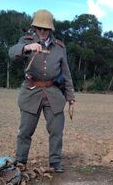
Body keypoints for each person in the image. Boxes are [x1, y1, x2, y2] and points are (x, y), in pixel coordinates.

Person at [9, 9, 75, 173]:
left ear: (51, 29)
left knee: (56, 131)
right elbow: (12, 52)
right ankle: (20, 162)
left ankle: (55, 163)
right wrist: (26, 48)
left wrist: (70, 96)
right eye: (39, 28)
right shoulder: (26, 41)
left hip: (53, 93)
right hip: (31, 92)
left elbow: (66, 72)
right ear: (35, 28)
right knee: (25, 131)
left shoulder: (59, 47)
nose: (42, 32)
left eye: (45, 29)